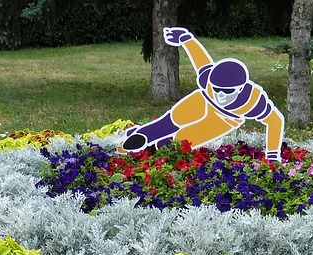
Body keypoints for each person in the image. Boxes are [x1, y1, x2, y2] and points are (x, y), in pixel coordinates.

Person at [119, 26, 285, 161]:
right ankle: (144, 135)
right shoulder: (208, 79)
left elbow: (275, 121)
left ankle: (160, 148)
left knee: (182, 141)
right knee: (173, 120)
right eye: (217, 88)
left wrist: (272, 155)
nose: (220, 94)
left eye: (227, 92)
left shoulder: (255, 101)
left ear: (241, 88)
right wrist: (185, 38)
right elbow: (201, 61)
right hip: (203, 100)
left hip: (225, 118)